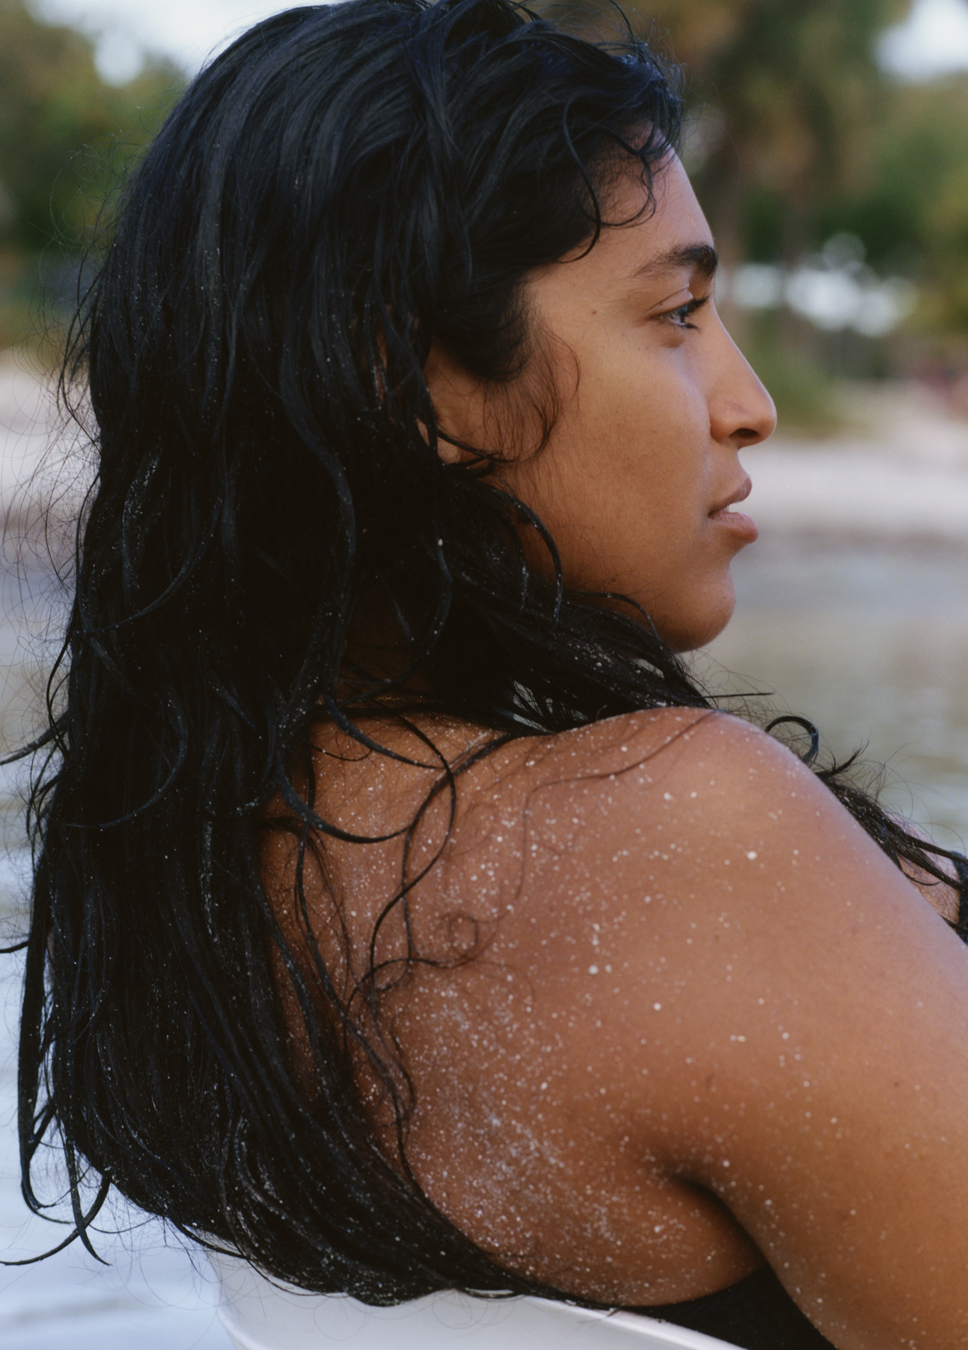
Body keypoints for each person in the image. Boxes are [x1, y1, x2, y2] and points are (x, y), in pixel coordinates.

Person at [11, 1, 968, 1347]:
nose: (746, 399)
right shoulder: (680, 839)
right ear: (406, 375)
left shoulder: (171, 875)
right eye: (679, 313)